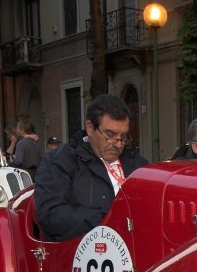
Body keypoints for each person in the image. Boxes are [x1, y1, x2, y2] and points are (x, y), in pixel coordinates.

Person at [34, 94, 148, 241]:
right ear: (90, 128)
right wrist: (108, 219)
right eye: (110, 134)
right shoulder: (59, 161)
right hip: (78, 253)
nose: (118, 144)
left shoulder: (137, 164)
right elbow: (50, 215)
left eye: (123, 137)